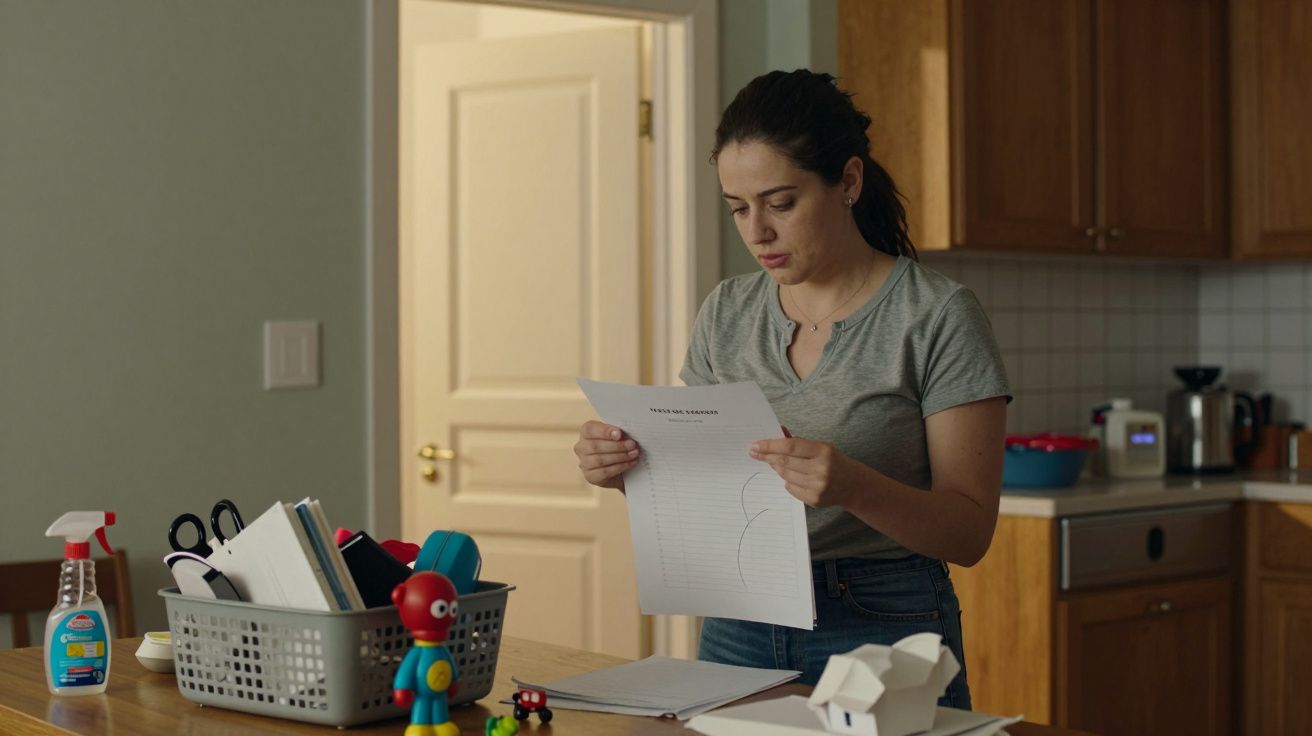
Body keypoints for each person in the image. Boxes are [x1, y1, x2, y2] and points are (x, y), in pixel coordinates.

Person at [572, 69, 1010, 709]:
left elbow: (970, 533)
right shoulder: (726, 311)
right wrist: (628, 469)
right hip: (738, 622)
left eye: (780, 203)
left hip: (883, 623)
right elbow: (704, 490)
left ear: (849, 182)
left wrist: (854, 487)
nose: (757, 231)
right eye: (738, 208)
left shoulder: (936, 315)